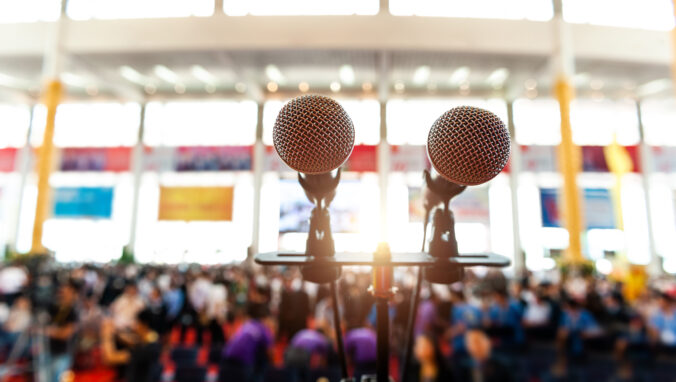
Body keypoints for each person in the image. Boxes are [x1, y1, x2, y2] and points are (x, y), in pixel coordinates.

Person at [101, 308, 162, 382]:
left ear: (143, 325)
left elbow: (110, 358)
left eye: (136, 322)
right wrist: (116, 333)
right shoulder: (153, 339)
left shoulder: (145, 349)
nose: (134, 326)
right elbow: (128, 340)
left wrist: (107, 335)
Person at [222, 302, 274, 381]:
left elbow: (232, 340)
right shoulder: (263, 329)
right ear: (265, 319)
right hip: (243, 363)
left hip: (226, 358)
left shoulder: (246, 325)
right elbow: (270, 352)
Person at [45, 281, 79, 382]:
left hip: (63, 351)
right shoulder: (54, 308)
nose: (62, 293)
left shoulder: (74, 311)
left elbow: (66, 334)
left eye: (66, 291)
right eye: (61, 291)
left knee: (57, 377)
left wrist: (50, 332)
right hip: (48, 349)